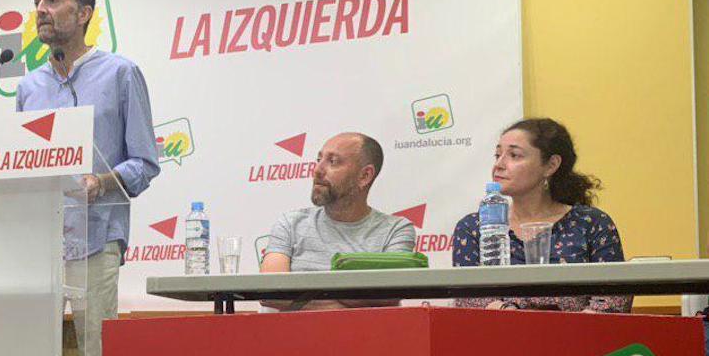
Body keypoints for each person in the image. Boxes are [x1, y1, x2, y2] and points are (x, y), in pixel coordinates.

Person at [15, 0, 160, 356]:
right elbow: (18, 163)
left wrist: (101, 182)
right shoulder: (27, 86)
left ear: (84, 12)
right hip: (40, 242)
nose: (42, 11)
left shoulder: (121, 73)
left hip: (96, 238)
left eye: (54, 0)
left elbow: (145, 161)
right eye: (37, 2)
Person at [451, 118, 630, 312]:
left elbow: (614, 298)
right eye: (497, 155)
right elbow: (468, 297)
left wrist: (563, 331)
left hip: (578, 337)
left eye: (514, 155)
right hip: (502, 336)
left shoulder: (592, 223)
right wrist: (517, 319)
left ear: (551, 165)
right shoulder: (473, 227)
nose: (499, 165)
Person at [259, 133, 415, 310]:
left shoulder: (396, 230)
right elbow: (269, 291)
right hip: (294, 335)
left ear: (364, 176)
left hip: (362, 336)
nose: (317, 170)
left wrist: (300, 300)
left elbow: (388, 294)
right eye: (319, 159)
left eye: (333, 162)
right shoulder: (291, 224)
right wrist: (341, 305)